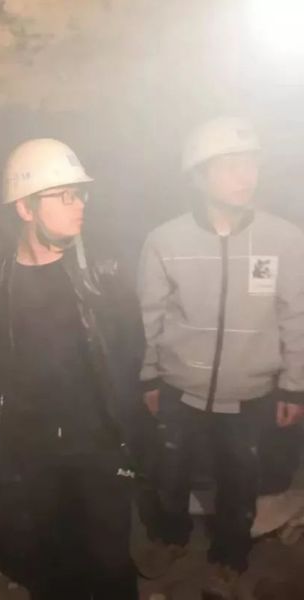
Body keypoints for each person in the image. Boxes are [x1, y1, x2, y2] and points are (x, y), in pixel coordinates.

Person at [0, 138, 144, 599]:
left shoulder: (104, 273)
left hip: (99, 449)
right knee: (52, 568)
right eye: (64, 195)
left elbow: (130, 352)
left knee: (110, 566)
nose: (79, 204)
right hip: (32, 456)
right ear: (25, 207)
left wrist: (127, 437)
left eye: (80, 193)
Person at [136, 116, 304, 598]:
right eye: (230, 165)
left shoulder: (284, 240)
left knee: (240, 480)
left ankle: (230, 556)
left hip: (251, 391)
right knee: (170, 472)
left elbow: (296, 315)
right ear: (198, 175)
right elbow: (150, 316)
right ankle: (171, 537)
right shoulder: (165, 241)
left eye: (251, 163)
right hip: (178, 387)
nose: (246, 175)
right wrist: (150, 378)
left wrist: (294, 385)